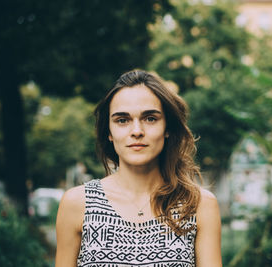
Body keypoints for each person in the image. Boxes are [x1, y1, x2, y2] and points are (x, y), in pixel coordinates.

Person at [55, 69, 222, 267]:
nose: (136, 131)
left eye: (150, 118)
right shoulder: (77, 204)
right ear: (109, 132)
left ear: (167, 128)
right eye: (122, 120)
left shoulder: (199, 205)